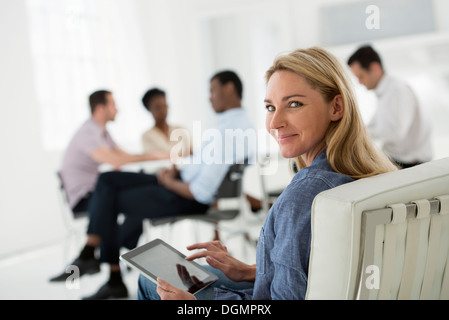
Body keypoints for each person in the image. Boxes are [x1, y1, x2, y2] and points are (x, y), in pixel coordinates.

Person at [137, 47, 398, 300]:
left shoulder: (305, 194)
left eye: (294, 104)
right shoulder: (364, 175)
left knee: (151, 281)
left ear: (336, 108)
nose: (275, 123)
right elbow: (315, 273)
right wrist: (250, 271)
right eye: (270, 107)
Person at [50, 70, 256, 300]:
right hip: (179, 182)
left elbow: (201, 192)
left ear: (228, 88)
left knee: (107, 196)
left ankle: (102, 265)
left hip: (185, 196)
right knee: (107, 181)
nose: (209, 97)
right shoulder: (231, 125)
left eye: (212, 91)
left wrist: (168, 180)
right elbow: (199, 165)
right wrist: (176, 170)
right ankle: (98, 259)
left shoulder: (229, 132)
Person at [49, 90, 169, 282]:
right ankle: (110, 272)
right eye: (113, 105)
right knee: (119, 196)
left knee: (135, 199)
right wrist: (153, 156)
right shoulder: (88, 133)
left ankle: (96, 261)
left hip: (97, 193)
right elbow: (116, 160)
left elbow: (124, 156)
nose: (117, 109)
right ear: (100, 108)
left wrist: (152, 155)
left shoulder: (102, 133)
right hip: (84, 197)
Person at [347, 45, 433, 168]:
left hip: (410, 164)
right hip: (399, 160)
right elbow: (376, 124)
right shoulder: (384, 92)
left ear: (375, 68)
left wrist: (361, 134)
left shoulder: (396, 90)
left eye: (361, 76)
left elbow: (395, 132)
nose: (360, 82)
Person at [141, 88, 192, 157]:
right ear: (149, 109)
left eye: (165, 106)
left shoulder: (181, 130)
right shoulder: (147, 136)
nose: (163, 111)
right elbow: (153, 158)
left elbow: (192, 153)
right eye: (157, 107)